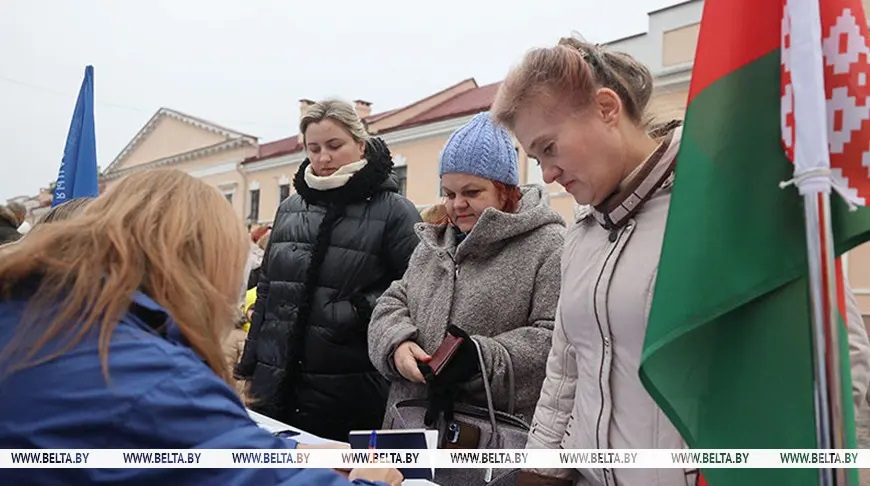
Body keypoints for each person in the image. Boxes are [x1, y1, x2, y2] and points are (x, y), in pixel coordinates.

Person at [491, 37, 870, 486]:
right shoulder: (580, 238)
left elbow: (840, 362)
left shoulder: (730, 206)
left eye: (549, 148)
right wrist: (541, 470)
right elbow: (565, 372)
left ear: (607, 108)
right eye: (535, 159)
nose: (546, 174)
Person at [0, 169, 401, 486]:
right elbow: (185, 431)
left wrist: (283, 451)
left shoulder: (36, 310)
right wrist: (372, 479)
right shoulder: (146, 375)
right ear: (197, 269)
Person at [368, 112, 565, 485]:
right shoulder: (433, 242)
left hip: (488, 442)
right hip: (411, 427)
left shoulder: (547, 245)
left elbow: (555, 338)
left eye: (472, 193)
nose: (457, 204)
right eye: (449, 193)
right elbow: (392, 302)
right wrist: (397, 345)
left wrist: (479, 358)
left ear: (506, 191)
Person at [236, 99, 422, 442]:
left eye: (335, 146)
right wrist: (250, 366)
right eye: (314, 148)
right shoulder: (290, 208)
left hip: (352, 387)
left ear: (360, 144)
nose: (323, 158)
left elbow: (420, 290)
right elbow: (267, 290)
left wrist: (354, 310)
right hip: (274, 383)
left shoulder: (395, 211)